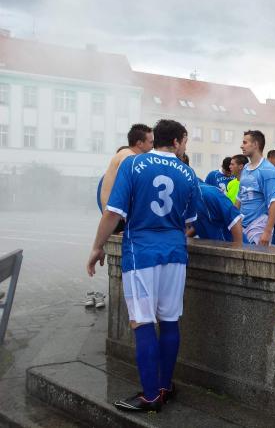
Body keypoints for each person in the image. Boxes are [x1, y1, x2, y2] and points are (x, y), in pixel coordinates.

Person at [86, 119, 199, 413]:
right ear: (175, 142)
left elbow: (113, 211)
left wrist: (97, 246)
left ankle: (150, 396)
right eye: (184, 141)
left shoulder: (133, 165)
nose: (185, 146)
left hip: (141, 254)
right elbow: (190, 219)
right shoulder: (188, 172)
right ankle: (164, 386)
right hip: (175, 253)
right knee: (171, 319)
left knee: (143, 322)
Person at [237, 130, 275, 245]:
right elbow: (239, 198)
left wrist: (267, 232)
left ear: (255, 144)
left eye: (245, 142)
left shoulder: (268, 170)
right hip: (242, 225)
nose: (241, 146)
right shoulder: (246, 168)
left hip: (258, 227)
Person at [99, 125, 154, 214]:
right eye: (151, 142)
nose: (153, 146)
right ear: (140, 143)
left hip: (114, 213)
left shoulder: (126, 154)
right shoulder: (128, 157)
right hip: (117, 215)